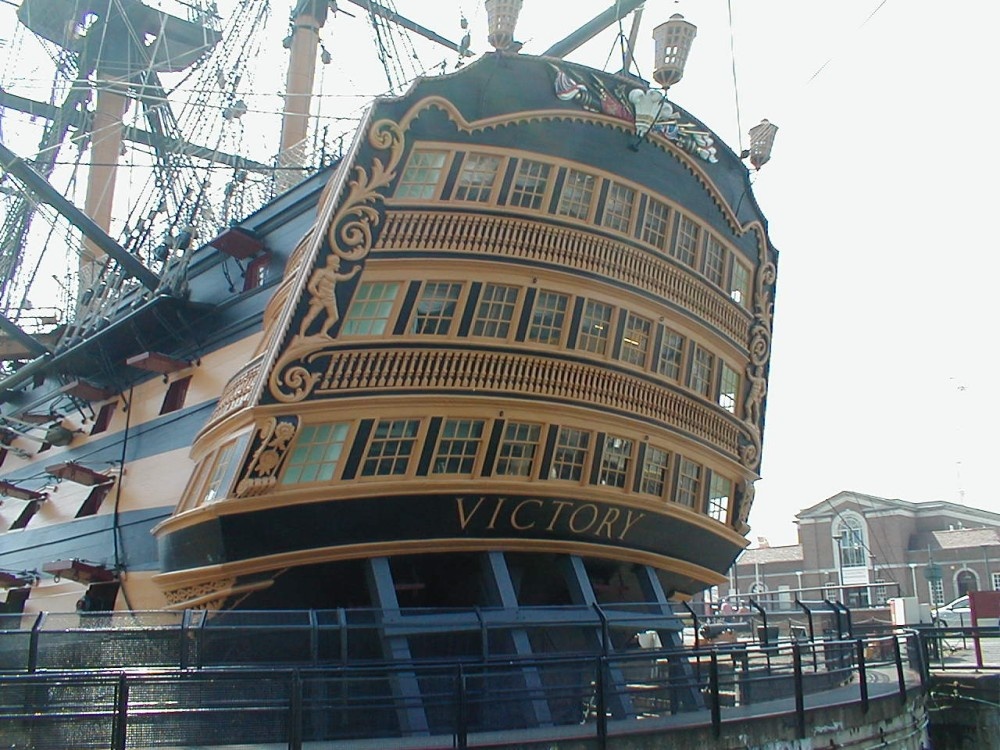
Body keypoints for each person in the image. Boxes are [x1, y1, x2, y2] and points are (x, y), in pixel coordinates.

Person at [298, 254, 361, 338]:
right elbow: (311, 286)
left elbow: (345, 277)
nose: (338, 266)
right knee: (311, 316)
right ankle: (301, 334)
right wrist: (318, 295)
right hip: (321, 298)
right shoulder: (321, 272)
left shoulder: (334, 276)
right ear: (332, 264)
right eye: (337, 264)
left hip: (331, 298)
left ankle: (323, 332)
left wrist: (354, 272)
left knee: (334, 317)